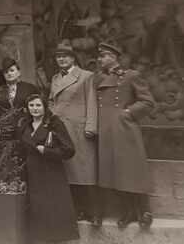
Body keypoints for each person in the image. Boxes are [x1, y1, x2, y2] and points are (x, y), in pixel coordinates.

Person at [94, 42, 155, 229]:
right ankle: (127, 212)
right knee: (115, 172)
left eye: (103, 56)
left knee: (131, 169)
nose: (100, 59)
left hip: (125, 129)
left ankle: (143, 212)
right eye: (100, 56)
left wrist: (128, 112)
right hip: (105, 131)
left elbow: (148, 102)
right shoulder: (97, 79)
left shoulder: (131, 76)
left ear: (113, 57)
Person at [19, 93, 78, 244]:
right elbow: (21, 151)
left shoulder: (54, 123)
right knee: (43, 218)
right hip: (34, 176)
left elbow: (69, 150)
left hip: (53, 176)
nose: (35, 109)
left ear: (45, 107)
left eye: (38, 105)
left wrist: (48, 151)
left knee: (59, 217)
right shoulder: (25, 125)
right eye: (31, 105)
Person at [47, 45, 99, 223]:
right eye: (58, 57)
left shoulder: (86, 76)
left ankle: (94, 212)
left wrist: (91, 126)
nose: (61, 59)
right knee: (69, 170)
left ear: (73, 58)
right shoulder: (55, 78)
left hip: (79, 128)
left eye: (65, 56)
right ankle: (78, 210)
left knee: (85, 170)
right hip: (61, 128)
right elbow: (52, 101)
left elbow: (92, 101)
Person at [0, 57, 39, 154]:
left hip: (25, 128)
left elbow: (39, 107)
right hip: (6, 131)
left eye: (12, 70)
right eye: (6, 72)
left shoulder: (29, 88)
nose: (9, 74)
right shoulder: (0, 91)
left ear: (19, 72)